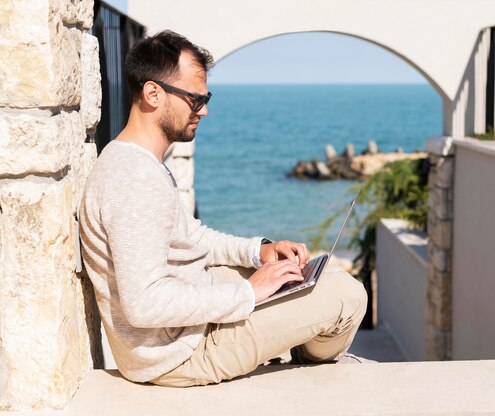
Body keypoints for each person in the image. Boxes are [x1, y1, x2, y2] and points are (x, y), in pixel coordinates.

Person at [79, 30, 368, 387]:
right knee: (348, 296)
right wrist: (249, 293)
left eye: (206, 97)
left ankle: (291, 330)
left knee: (298, 277)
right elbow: (145, 303)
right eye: (194, 99)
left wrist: (257, 251)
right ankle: (308, 359)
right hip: (180, 353)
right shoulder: (134, 180)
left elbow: (189, 236)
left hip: (187, 322)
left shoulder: (138, 162)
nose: (205, 109)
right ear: (154, 93)